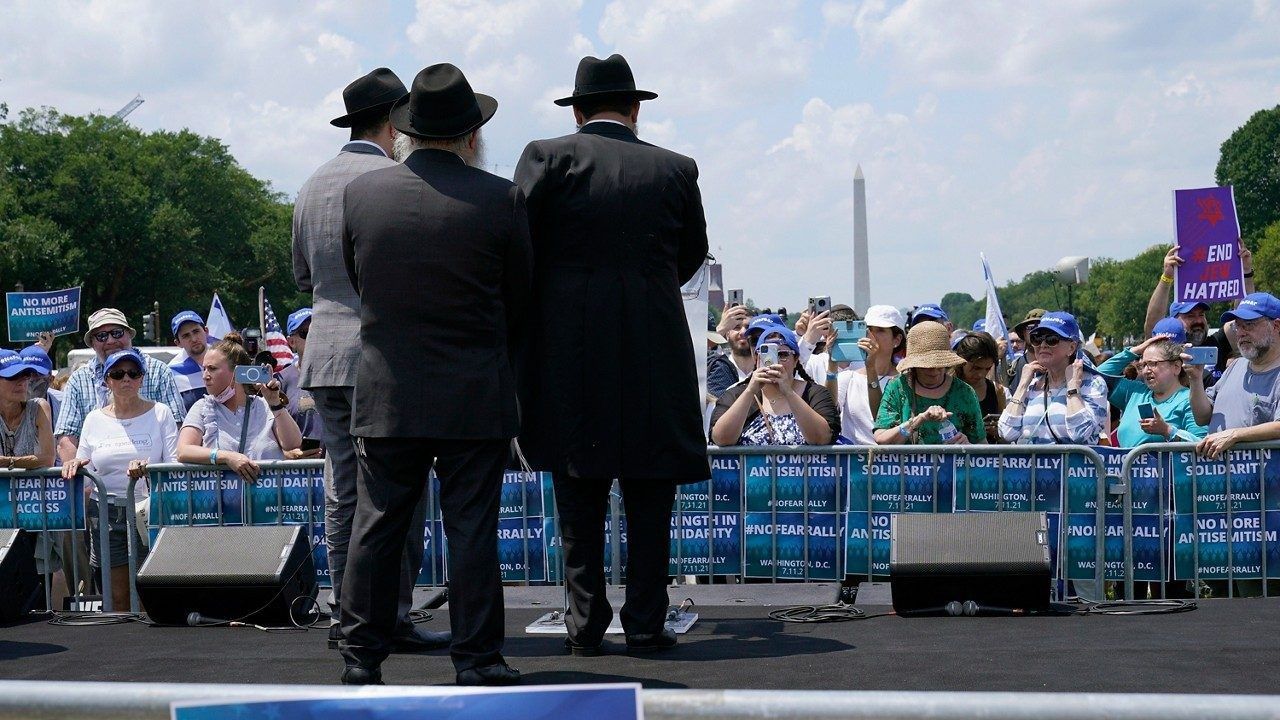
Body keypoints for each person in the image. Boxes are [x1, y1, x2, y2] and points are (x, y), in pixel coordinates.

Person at [341, 64, 531, 687]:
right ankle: (478, 658)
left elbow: (360, 280)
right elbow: (520, 297)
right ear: (471, 134)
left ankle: (361, 655)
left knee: (376, 525)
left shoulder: (363, 195)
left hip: (389, 390)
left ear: (406, 131)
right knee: (472, 528)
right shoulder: (500, 198)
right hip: (473, 392)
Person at [515, 53, 707, 659]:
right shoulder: (676, 169)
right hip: (654, 351)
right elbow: (690, 256)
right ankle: (647, 623)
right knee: (652, 501)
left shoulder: (547, 157)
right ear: (636, 108)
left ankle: (585, 622)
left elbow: (518, 247)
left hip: (570, 357)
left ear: (576, 112)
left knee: (578, 499)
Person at [292, 67, 440, 657]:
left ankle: (345, 614)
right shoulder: (396, 178)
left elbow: (304, 276)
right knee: (397, 494)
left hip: (325, 356)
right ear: (394, 122)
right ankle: (391, 616)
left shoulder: (311, 184)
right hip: (383, 357)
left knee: (343, 492)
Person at [60, 349, 177, 610]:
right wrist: (74, 465)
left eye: (133, 373)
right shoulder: (93, 419)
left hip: (149, 512)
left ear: (142, 379)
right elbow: (84, 464)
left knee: (152, 593)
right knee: (119, 597)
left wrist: (149, 467)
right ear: (106, 380)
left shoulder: (161, 413)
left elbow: (174, 463)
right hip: (106, 515)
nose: (127, 379)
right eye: (118, 373)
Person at [55, 308, 184, 463]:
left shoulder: (159, 371)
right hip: (98, 483)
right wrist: (82, 482)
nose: (110, 341)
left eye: (117, 333)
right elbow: (66, 439)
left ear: (129, 334)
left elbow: (177, 430)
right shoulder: (78, 380)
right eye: (101, 336)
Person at [175, 335, 307, 478]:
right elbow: (183, 451)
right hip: (221, 499)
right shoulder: (202, 407)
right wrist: (225, 457)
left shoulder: (264, 406)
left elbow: (293, 443)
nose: (205, 376)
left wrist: (275, 403)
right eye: (204, 369)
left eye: (212, 369)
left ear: (236, 372)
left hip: (269, 497)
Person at [1143, 245, 1254, 386]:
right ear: (1174, 320)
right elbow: (1152, 324)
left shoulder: (1216, 343)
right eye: (1190, 316)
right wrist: (1167, 278)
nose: (1198, 320)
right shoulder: (1165, 352)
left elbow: (1244, 315)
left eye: (1201, 314)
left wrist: (1245, 271)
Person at [709, 326, 839, 446]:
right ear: (756, 358)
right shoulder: (735, 394)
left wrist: (788, 392)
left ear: (796, 360)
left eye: (783, 355)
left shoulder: (815, 393)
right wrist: (749, 392)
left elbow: (822, 438)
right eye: (767, 354)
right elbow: (721, 438)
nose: (776, 362)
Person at [1189, 293, 1280, 458]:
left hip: (1262, 481)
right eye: (1238, 326)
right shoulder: (1236, 365)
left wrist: (1235, 435)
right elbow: (1202, 417)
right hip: (1220, 478)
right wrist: (1196, 379)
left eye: (1249, 325)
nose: (1241, 333)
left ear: (1276, 326)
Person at [999, 312, 1108, 444]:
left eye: (1051, 339)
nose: (1043, 345)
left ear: (1072, 347)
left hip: (1073, 464)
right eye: (1037, 338)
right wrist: (1022, 385)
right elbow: (1006, 432)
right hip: (1033, 464)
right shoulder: (1032, 383)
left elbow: (1080, 433)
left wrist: (1073, 388)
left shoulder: (1093, 384)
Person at [873, 322, 984, 445]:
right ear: (915, 365)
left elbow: (982, 444)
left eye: (940, 365)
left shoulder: (964, 392)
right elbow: (881, 438)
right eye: (927, 367)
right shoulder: (898, 387)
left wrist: (969, 447)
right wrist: (919, 420)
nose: (934, 371)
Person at [1096, 334, 1207, 447]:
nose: (1146, 371)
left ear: (1176, 367)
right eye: (1143, 365)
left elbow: (1201, 445)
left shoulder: (1190, 400)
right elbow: (1097, 377)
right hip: (1127, 465)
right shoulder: (1135, 392)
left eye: (1153, 364)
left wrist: (1167, 431)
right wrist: (1135, 350)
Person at [836, 305, 905, 443]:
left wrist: (871, 368)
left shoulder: (905, 380)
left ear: (896, 340)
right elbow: (828, 415)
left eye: (880, 330)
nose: (871, 335)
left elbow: (884, 421)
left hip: (892, 461)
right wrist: (832, 365)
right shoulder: (848, 378)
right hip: (854, 462)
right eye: (868, 329)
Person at [276, 308, 322, 440]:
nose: (314, 337)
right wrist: (286, 451)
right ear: (291, 342)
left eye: (318, 331)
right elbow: (269, 430)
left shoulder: (341, 375)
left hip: (338, 459)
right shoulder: (280, 380)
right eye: (305, 333)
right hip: (299, 460)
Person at [953, 332, 1007, 443]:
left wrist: (997, 431)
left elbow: (1004, 436)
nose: (981, 375)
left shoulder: (997, 391)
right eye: (976, 368)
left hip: (986, 457)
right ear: (961, 360)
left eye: (987, 368)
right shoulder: (946, 387)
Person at [169, 310, 212, 413]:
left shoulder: (227, 359)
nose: (193, 339)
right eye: (186, 336)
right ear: (178, 343)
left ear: (206, 331)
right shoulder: (171, 373)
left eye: (196, 331)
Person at [707, 304, 754, 398]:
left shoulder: (766, 369)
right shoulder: (714, 367)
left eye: (748, 327)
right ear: (727, 334)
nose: (743, 332)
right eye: (737, 327)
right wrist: (720, 329)